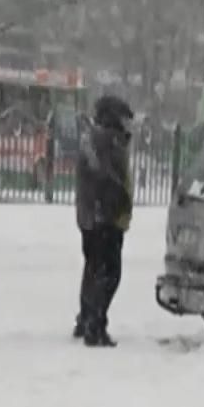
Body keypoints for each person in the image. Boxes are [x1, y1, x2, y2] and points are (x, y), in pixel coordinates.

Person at [73, 95, 135, 347]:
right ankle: (95, 325)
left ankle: (87, 318)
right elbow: (110, 180)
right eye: (123, 119)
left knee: (93, 269)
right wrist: (117, 207)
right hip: (105, 219)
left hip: (91, 217)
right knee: (109, 273)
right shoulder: (109, 141)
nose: (127, 125)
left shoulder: (92, 139)